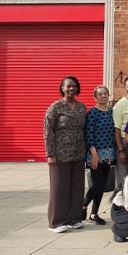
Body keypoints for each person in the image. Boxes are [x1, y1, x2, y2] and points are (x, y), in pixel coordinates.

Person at [44, 76, 87, 233]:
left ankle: (74, 219)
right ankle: (56, 222)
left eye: (74, 86)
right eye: (68, 86)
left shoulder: (82, 107)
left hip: (79, 152)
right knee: (59, 188)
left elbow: (85, 129)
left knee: (77, 187)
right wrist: (50, 154)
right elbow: (48, 131)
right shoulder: (55, 107)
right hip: (60, 154)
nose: (71, 89)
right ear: (62, 88)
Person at [83, 85, 116, 226]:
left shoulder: (111, 111)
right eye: (100, 94)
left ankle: (94, 214)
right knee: (97, 185)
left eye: (105, 94)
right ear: (95, 97)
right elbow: (88, 134)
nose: (103, 96)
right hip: (96, 153)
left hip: (109, 154)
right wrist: (94, 153)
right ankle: (83, 205)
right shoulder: (92, 112)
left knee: (102, 186)